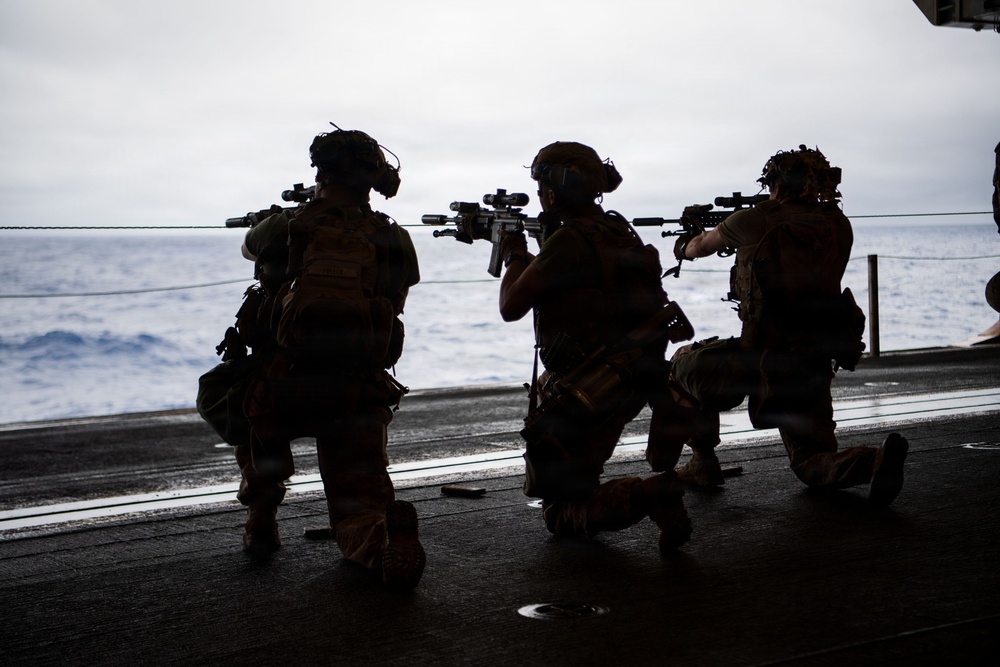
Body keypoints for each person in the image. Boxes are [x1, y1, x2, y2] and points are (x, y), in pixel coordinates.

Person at [203, 126, 424, 591]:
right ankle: (381, 542)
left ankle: (261, 518)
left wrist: (282, 216)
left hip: (282, 385)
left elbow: (246, 248)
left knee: (233, 397)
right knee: (360, 503)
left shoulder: (288, 225)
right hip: (359, 388)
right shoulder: (392, 235)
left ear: (320, 171)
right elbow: (401, 290)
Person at [663, 145, 908, 507]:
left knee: (679, 368)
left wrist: (683, 244)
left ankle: (702, 461)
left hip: (760, 355)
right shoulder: (838, 223)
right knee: (811, 465)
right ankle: (874, 461)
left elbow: (700, 246)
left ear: (776, 183)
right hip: (814, 355)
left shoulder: (756, 219)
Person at [490, 141, 695, 555]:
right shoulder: (618, 229)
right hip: (626, 374)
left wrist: (514, 255)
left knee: (562, 514)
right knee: (578, 477)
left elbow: (511, 306)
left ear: (553, 190)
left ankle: (649, 494)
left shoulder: (569, 241)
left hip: (591, 386)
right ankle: (648, 493)